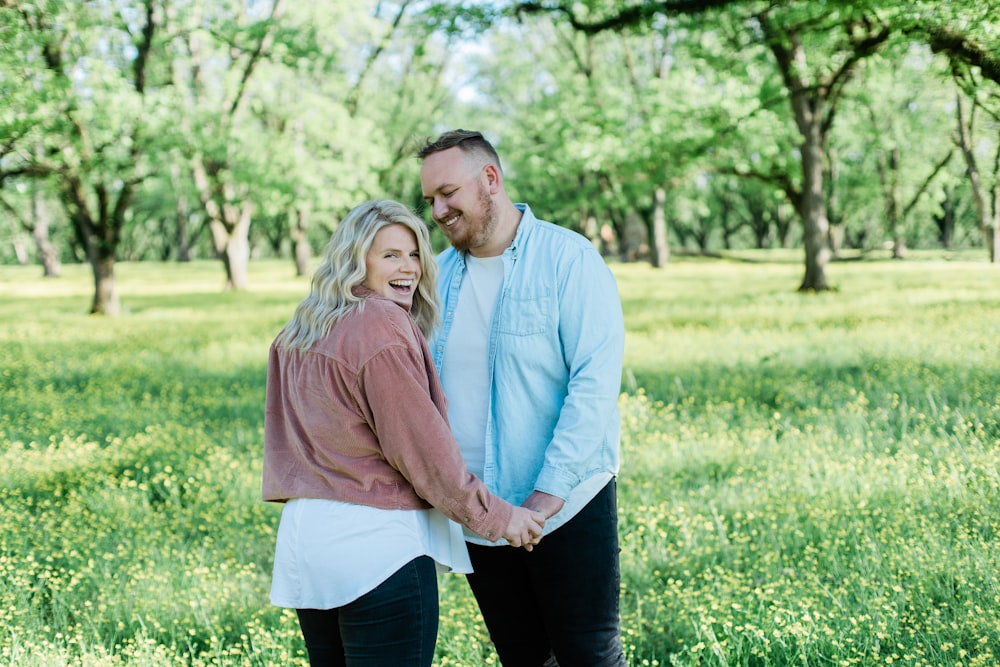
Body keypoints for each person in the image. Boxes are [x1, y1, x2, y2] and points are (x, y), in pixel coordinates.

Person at [261, 199, 546, 667]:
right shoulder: (380, 322)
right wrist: (498, 517)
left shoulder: (300, 329)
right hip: (375, 547)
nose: (409, 268)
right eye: (390, 255)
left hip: (306, 545)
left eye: (415, 254)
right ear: (356, 259)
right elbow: (421, 450)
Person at [418, 131, 628, 667]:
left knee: (589, 655)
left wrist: (547, 494)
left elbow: (594, 385)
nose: (439, 211)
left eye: (448, 193)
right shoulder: (435, 280)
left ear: (490, 179)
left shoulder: (569, 260)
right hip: (481, 515)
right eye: (431, 201)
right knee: (523, 657)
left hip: (565, 505)